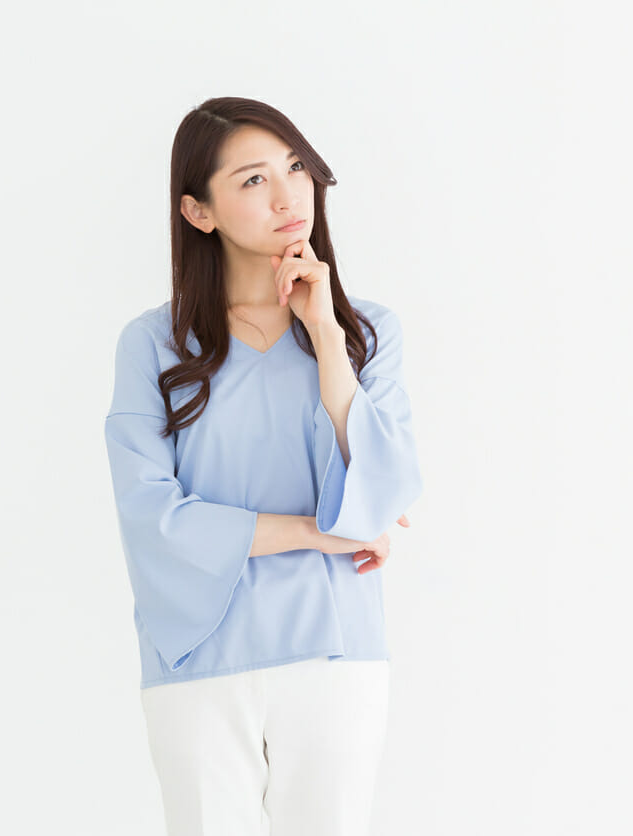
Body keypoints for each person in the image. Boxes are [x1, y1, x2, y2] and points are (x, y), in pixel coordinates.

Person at [102, 97, 424, 836]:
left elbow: (380, 493)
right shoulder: (153, 346)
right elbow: (151, 517)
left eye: (296, 168)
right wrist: (315, 531)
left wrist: (326, 335)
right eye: (253, 179)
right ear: (198, 211)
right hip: (198, 662)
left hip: (336, 654)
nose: (287, 196)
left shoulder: (367, 334)